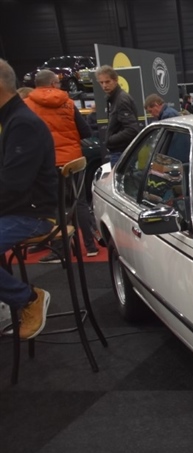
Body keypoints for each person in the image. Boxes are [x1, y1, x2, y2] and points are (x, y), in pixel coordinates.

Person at [0, 58, 56, 339]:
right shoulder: (11, 119)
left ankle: (28, 298)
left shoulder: (22, 123)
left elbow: (13, 186)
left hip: (32, 215)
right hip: (18, 209)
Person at [24, 69, 99, 262]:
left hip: (47, 163)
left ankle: (60, 250)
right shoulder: (68, 102)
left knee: (55, 205)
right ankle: (90, 246)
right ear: (52, 83)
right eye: (57, 83)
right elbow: (85, 131)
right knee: (80, 202)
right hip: (73, 160)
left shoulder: (27, 105)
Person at [96, 65, 141, 167]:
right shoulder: (116, 98)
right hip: (122, 152)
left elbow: (132, 129)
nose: (104, 85)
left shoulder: (121, 100)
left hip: (122, 152)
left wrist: (110, 139)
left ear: (115, 80)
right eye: (101, 82)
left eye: (107, 82)